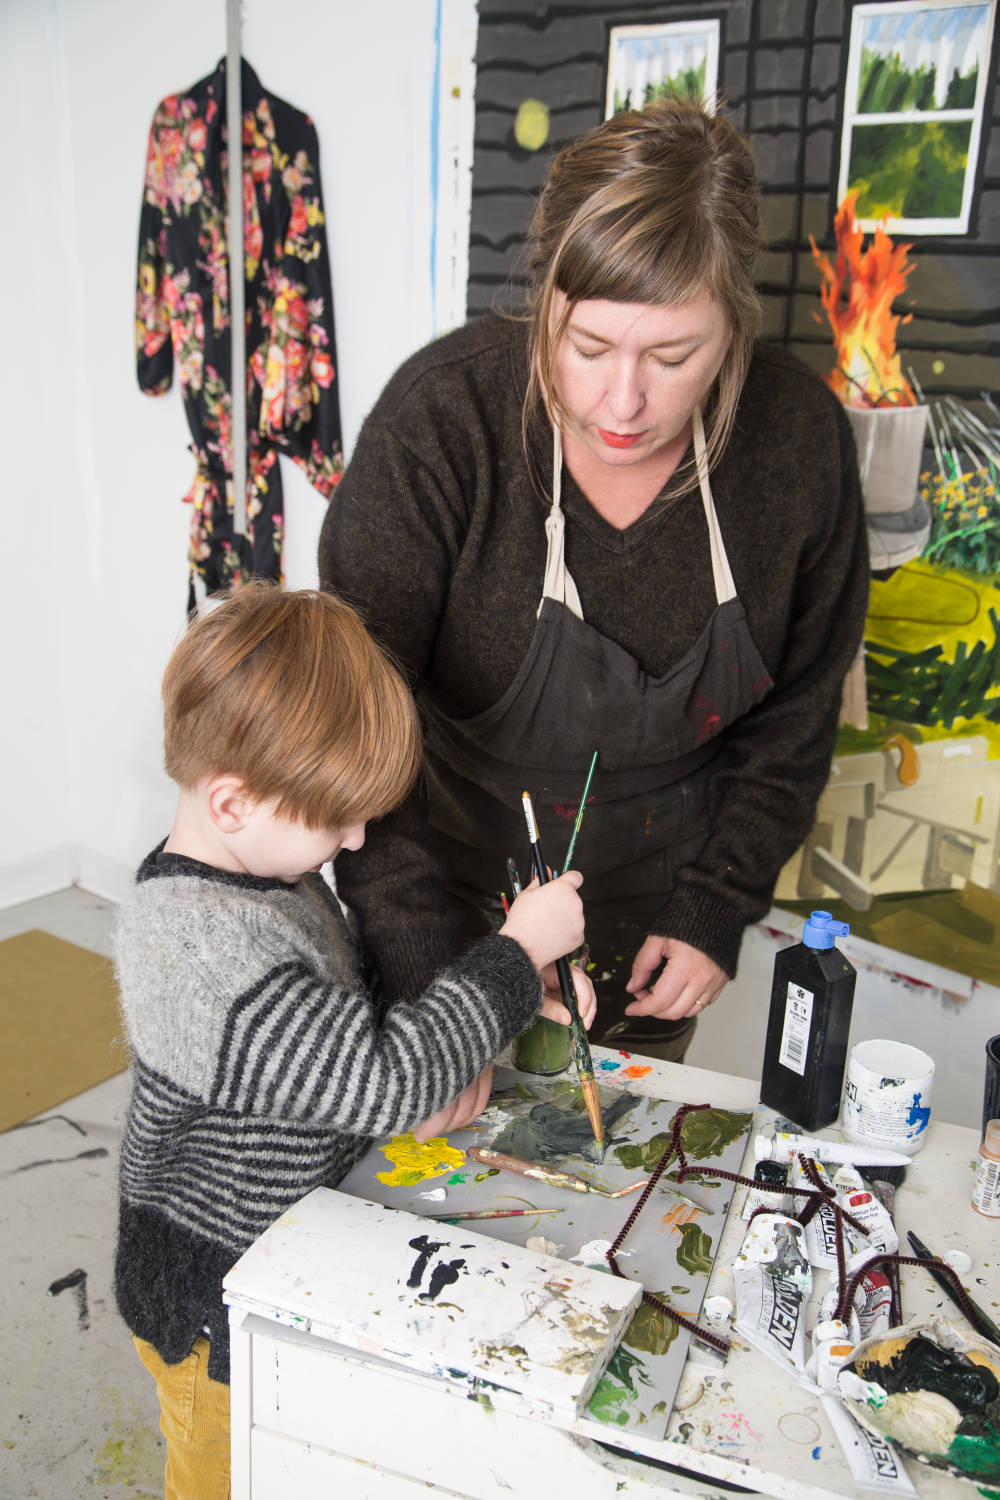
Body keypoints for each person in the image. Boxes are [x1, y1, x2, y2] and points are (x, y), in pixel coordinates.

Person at [318, 96, 868, 1063]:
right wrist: (427, 978)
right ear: (546, 304)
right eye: (588, 347)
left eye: (672, 355)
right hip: (441, 898)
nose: (624, 401)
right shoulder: (444, 424)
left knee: (609, 1190)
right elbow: (355, 727)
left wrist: (716, 905)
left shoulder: (798, 444)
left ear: (733, 328)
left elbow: (797, 715)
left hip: (658, 919)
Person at [113, 582, 595, 1500]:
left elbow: (348, 1020)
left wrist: (515, 991)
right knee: (226, 1476)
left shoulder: (265, 882)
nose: (358, 835)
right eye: (335, 816)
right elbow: (381, 1079)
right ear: (231, 800)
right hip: (214, 1308)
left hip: (282, 1254)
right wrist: (514, 950)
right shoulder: (195, 947)